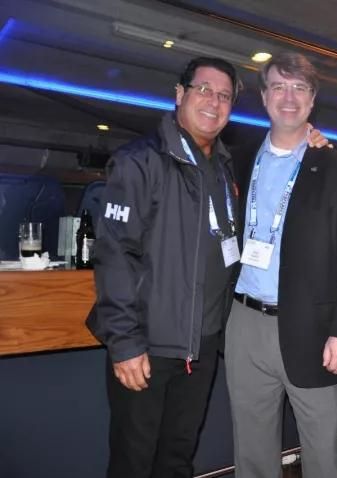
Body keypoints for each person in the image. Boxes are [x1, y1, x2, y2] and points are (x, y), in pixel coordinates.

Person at [86, 57, 243, 478]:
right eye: (204, 89)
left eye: (224, 95)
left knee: (177, 460)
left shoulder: (224, 169)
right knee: (133, 464)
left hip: (201, 348)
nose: (214, 101)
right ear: (179, 94)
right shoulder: (140, 161)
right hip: (148, 347)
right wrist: (125, 343)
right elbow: (115, 254)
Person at [225, 52, 337, 478]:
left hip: (315, 329)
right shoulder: (238, 160)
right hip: (244, 322)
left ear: (312, 99)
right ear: (264, 96)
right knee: (251, 448)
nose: (288, 98)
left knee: (321, 450)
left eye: (299, 88)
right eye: (278, 87)